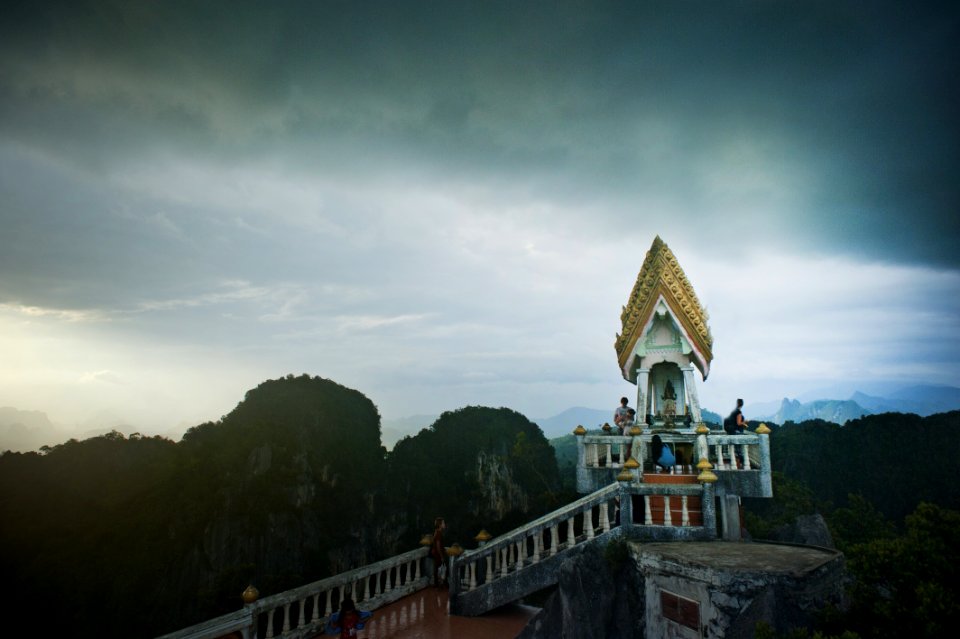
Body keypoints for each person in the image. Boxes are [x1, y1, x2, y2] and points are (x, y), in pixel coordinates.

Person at [430, 517, 446, 588]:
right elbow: (438, 546)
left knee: (437, 569)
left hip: (436, 554)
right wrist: (442, 556)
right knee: (439, 569)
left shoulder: (436, 532)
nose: (444, 524)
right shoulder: (439, 533)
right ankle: (439, 584)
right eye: (443, 523)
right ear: (440, 525)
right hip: (438, 554)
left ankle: (438, 584)